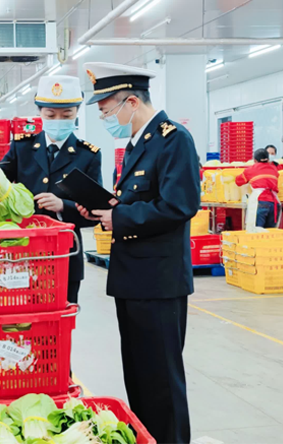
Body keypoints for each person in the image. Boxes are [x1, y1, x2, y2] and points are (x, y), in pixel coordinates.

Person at [77, 62, 200, 444]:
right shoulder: (136, 145)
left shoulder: (173, 139)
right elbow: (136, 203)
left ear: (131, 101)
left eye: (107, 110)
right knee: (140, 374)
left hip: (159, 283)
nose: (106, 118)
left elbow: (180, 206)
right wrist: (103, 211)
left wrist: (122, 217)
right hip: (133, 280)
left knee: (162, 380)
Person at [0, 75, 103, 303]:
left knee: (60, 322)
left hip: (66, 254)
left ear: (77, 113)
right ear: (40, 112)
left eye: (67, 115)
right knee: (23, 319)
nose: (59, 120)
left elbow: (95, 211)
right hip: (22, 252)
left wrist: (64, 206)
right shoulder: (22, 148)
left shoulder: (87, 156)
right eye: (50, 115)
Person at [235, 148, 281, 229]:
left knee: (256, 231)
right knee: (271, 233)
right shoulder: (274, 169)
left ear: (255, 160)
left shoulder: (251, 170)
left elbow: (238, 181)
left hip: (260, 202)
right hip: (274, 203)